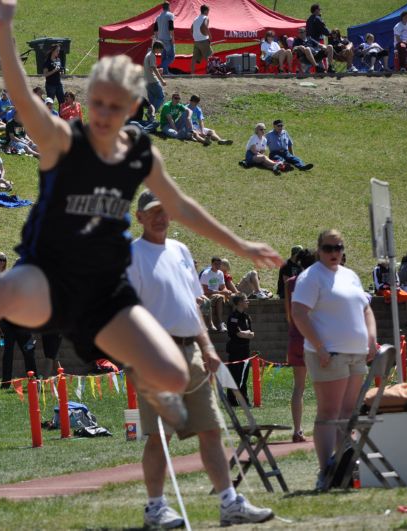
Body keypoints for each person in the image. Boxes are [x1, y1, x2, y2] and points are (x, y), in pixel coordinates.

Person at [0, 0, 283, 433]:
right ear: (88, 102)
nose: (105, 116)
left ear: (131, 108)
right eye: (98, 105)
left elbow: (182, 207)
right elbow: (20, 97)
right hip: (48, 277)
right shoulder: (63, 141)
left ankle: (164, 400)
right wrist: (4, 28)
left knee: (174, 374)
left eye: (116, 107)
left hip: (104, 294)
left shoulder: (141, 154)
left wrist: (239, 246)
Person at [128, 191, 274, 527]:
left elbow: (192, 307)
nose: (160, 217)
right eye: (152, 212)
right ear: (139, 218)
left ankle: (229, 502)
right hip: (154, 354)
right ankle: (155, 507)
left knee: (210, 428)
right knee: (159, 436)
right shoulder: (132, 256)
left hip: (191, 351)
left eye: (164, 211)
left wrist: (207, 348)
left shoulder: (180, 251)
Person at [291, 229, 377, 491]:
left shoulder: (350, 276)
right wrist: (319, 346)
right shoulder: (311, 277)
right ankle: (325, 471)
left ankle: (343, 467)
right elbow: (298, 313)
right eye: (328, 248)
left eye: (338, 248)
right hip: (328, 355)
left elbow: (366, 308)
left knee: (347, 412)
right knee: (329, 412)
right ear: (319, 250)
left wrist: (371, 338)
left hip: (356, 353)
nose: (334, 253)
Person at [284, 248, 316, 442]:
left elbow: (289, 313)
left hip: (295, 335)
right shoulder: (315, 281)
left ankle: (297, 430)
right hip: (313, 336)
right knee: (326, 384)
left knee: (299, 387)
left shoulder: (290, 283)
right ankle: (330, 427)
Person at [372, 259, 407, 332]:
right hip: (383, 290)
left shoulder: (392, 268)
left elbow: (397, 280)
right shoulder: (377, 269)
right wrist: (389, 286)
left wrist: (396, 285)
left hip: (394, 289)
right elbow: (378, 285)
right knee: (393, 297)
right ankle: (396, 325)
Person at [225, 294, 254, 407]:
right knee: (235, 375)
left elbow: (252, 334)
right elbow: (238, 334)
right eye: (246, 300)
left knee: (244, 376)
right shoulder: (233, 317)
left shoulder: (246, 317)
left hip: (245, 350)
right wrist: (246, 333)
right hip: (235, 350)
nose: (248, 302)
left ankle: (244, 400)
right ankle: (232, 400)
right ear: (240, 303)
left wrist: (245, 333)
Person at [199, 257, 233, 332]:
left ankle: (232, 324)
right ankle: (218, 323)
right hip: (206, 295)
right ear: (211, 264)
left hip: (217, 295)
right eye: (216, 264)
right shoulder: (206, 274)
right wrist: (220, 292)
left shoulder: (220, 273)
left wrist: (227, 291)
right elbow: (204, 291)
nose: (218, 266)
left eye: (219, 264)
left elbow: (223, 287)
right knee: (220, 297)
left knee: (233, 298)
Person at [144, 41, 167, 114]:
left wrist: (158, 70)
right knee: (161, 97)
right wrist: (162, 80)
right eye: (160, 49)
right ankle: (151, 113)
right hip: (153, 80)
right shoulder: (152, 55)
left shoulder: (148, 54)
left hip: (147, 81)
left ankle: (150, 115)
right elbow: (153, 68)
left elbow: (150, 68)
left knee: (152, 99)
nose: (161, 51)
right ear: (156, 48)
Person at [153, 1, 175, 75]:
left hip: (160, 39)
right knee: (171, 56)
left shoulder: (158, 17)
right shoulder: (170, 15)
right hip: (167, 39)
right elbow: (171, 27)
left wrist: (157, 39)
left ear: (162, 7)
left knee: (164, 56)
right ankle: (160, 67)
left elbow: (155, 29)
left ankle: (165, 72)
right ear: (169, 7)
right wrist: (173, 38)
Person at [190, 4, 211, 75]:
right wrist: (210, 36)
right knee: (209, 56)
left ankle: (192, 74)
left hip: (196, 41)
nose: (208, 12)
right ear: (205, 11)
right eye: (208, 11)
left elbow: (191, 29)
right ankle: (210, 72)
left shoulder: (195, 18)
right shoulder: (206, 17)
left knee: (194, 58)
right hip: (203, 40)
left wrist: (195, 36)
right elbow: (205, 26)